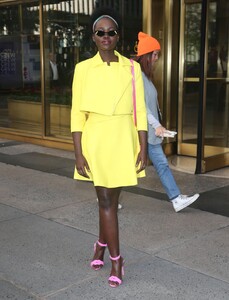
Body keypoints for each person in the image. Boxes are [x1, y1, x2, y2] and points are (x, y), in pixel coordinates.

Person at [71, 8, 147, 287]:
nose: (106, 36)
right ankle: (117, 260)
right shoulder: (82, 69)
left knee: (111, 202)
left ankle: (101, 244)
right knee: (106, 201)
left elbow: (139, 108)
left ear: (117, 36)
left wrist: (143, 144)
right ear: (93, 37)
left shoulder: (132, 67)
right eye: (100, 32)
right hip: (96, 140)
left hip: (122, 139)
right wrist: (78, 152)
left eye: (111, 32)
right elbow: (77, 114)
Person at [135, 32, 199, 212]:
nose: (156, 58)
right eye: (154, 54)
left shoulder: (145, 76)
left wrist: (158, 126)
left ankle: (176, 198)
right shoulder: (138, 76)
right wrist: (157, 125)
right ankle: (107, 196)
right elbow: (141, 106)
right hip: (145, 131)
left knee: (156, 164)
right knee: (137, 165)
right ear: (146, 55)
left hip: (149, 131)